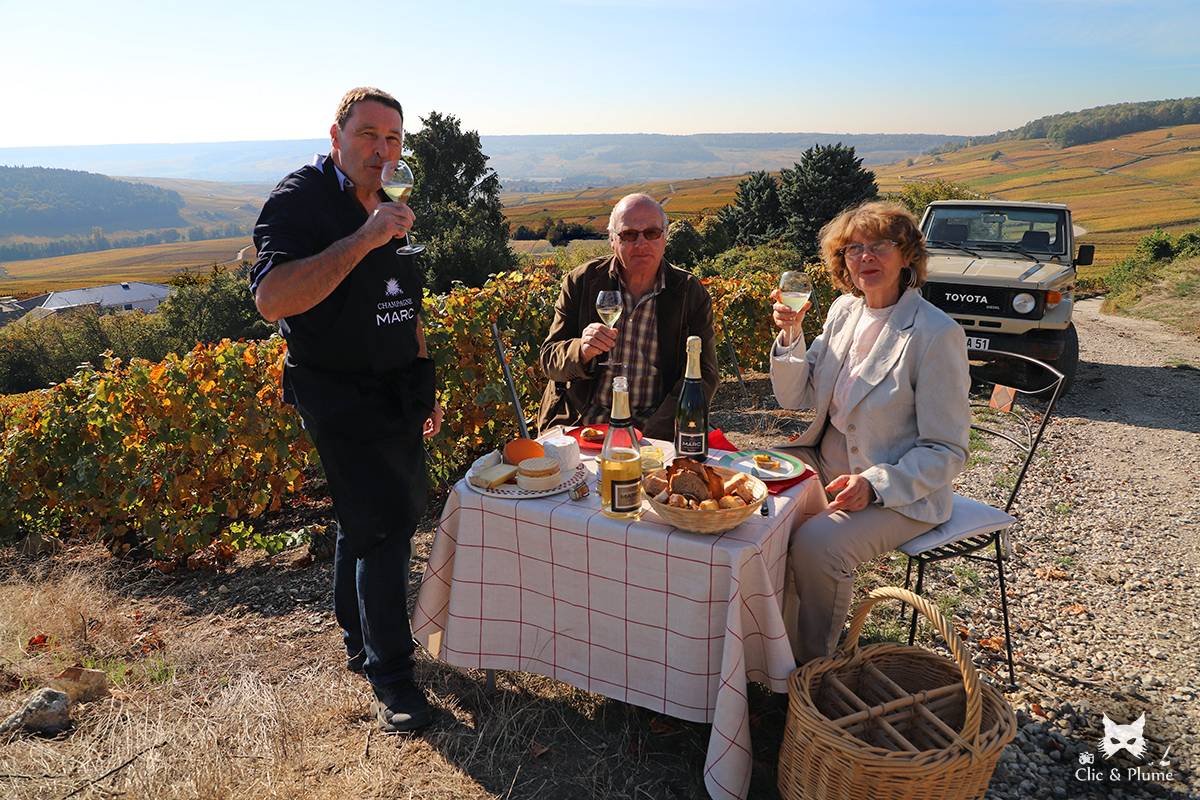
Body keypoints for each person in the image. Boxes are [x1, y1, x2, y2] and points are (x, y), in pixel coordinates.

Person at [251, 87, 443, 732]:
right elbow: (273, 298)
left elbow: (404, 302)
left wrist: (424, 383)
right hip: (334, 389)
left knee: (369, 516)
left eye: (392, 139)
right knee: (386, 525)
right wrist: (363, 238)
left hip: (395, 386)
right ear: (336, 137)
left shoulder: (391, 205)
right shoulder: (298, 200)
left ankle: (356, 638)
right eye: (367, 135)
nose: (380, 150)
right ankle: (393, 676)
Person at [769, 201, 970, 663]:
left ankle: (810, 668)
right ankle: (766, 643)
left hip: (902, 490)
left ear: (907, 256)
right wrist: (791, 337)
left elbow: (948, 449)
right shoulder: (843, 311)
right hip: (825, 459)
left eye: (880, 245)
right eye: (854, 248)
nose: (865, 257)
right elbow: (796, 397)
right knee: (758, 499)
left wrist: (875, 486)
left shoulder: (936, 334)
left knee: (818, 544)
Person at [538, 193, 717, 440]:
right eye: (629, 235)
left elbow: (704, 375)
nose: (641, 243)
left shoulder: (689, 292)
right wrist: (581, 351)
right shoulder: (581, 282)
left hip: (657, 427)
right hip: (585, 425)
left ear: (665, 238)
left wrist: (654, 437)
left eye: (652, 233)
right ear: (612, 240)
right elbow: (549, 360)